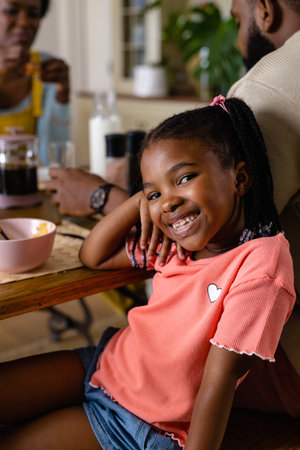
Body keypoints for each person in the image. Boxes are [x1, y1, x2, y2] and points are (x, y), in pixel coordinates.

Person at [0, 97, 295, 449]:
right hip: (104, 362)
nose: (167, 202)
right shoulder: (174, 245)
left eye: (184, 178)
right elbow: (93, 255)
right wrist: (137, 202)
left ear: (240, 179)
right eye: (155, 192)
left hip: (134, 422)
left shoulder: (261, 264)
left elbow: (218, 383)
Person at [227, 0, 300, 406]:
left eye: (239, 20)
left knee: (106, 369)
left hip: (290, 364)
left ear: (265, 11)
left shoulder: (272, 85)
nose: (239, 40)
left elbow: (219, 239)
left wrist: (104, 196)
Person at [0, 0, 70, 165]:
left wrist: (62, 97)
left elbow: (51, 163)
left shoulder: (46, 69)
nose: (24, 22)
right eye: (11, 10)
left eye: (33, 14)